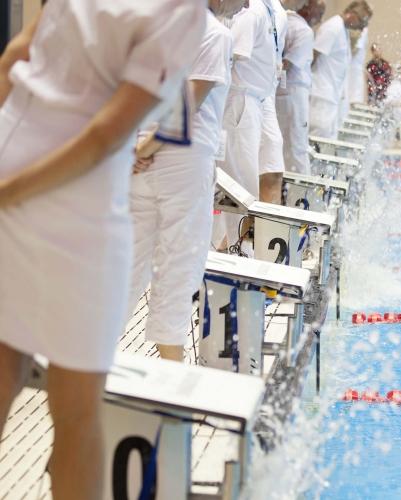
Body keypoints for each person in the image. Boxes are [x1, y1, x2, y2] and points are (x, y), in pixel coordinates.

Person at [0, 0, 205, 497]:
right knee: (76, 417)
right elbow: (103, 136)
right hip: (77, 211)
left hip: (13, 168)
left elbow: (14, 59)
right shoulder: (181, 9)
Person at [127, 4, 243, 362]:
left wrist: (135, 147)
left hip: (139, 163)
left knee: (126, 265)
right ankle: (172, 379)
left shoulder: (156, 25)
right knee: (178, 270)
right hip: (182, 161)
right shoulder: (215, 33)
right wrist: (148, 146)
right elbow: (189, 106)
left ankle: (87, 363)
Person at [216, 0, 283, 249]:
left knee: (244, 188)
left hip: (251, 102)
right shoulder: (252, 11)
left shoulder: (266, 9)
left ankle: (236, 251)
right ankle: (239, 254)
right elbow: (226, 57)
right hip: (239, 101)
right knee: (240, 189)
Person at [309, 0, 373, 139]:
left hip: (332, 94)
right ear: (351, 13)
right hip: (321, 93)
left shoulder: (342, 29)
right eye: (361, 21)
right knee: (318, 138)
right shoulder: (333, 27)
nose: (361, 27)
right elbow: (312, 56)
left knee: (329, 138)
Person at [277, 0, 325, 176]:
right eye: (319, 14)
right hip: (294, 93)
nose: (319, 20)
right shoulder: (304, 31)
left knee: (284, 145)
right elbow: (286, 65)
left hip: (282, 93)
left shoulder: (286, 22)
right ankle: (299, 197)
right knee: (298, 147)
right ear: (309, 8)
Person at [348, 27, 370, 106]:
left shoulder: (362, 30)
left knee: (354, 97)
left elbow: (355, 49)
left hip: (354, 67)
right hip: (351, 66)